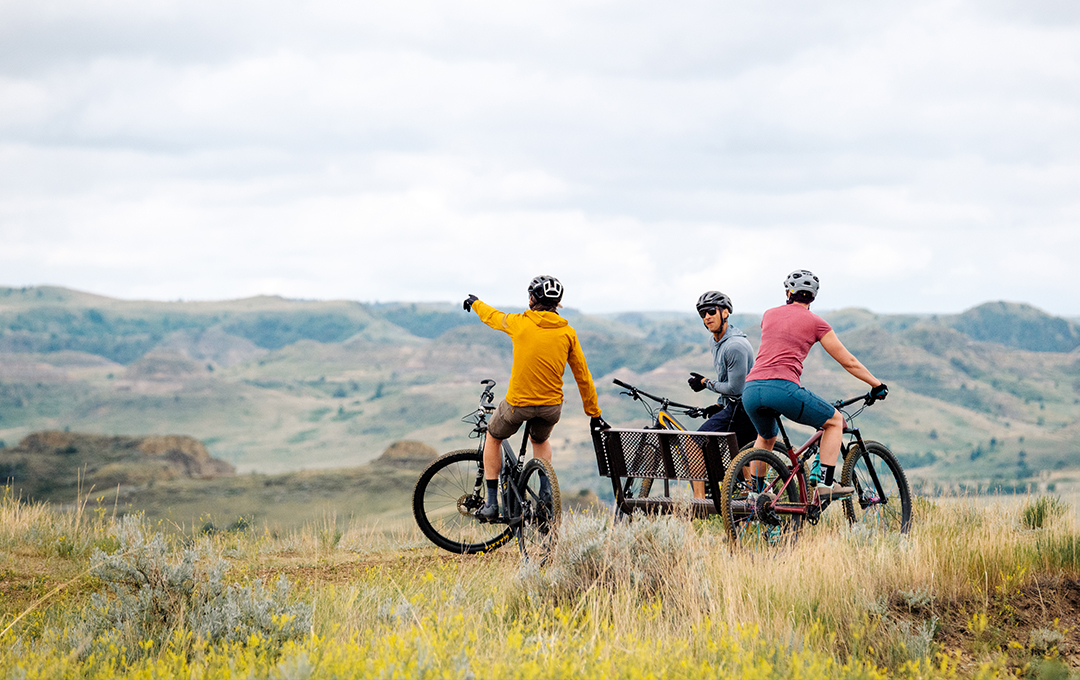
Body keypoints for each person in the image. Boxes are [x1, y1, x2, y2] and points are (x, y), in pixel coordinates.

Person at [463, 275, 609, 520]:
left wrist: (476, 303)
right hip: (551, 407)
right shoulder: (568, 333)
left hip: (518, 405)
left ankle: (490, 503)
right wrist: (594, 413)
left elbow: (493, 317)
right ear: (557, 303)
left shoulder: (519, 322)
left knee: (493, 435)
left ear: (532, 299)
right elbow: (583, 375)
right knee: (540, 440)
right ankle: (545, 493)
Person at [741, 270, 888, 499]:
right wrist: (876, 384)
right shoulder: (817, 323)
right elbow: (848, 361)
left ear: (789, 292)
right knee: (834, 420)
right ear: (813, 297)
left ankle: (757, 494)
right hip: (782, 388)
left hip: (751, 390)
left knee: (766, 437)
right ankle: (825, 485)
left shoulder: (769, 314)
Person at [685, 291, 757, 498]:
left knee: (693, 443)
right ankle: (749, 504)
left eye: (710, 311)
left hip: (743, 407)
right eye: (702, 314)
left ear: (725, 312)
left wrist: (704, 383)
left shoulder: (735, 346)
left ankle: (699, 503)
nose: (706, 317)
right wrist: (718, 404)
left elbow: (735, 388)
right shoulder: (715, 341)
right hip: (737, 406)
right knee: (742, 457)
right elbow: (725, 377)